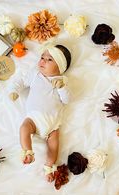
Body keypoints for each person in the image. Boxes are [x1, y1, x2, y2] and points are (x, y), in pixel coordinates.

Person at [9, 43, 71, 182]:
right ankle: (27, 152)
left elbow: (66, 100)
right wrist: (14, 91)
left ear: (60, 67)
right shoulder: (36, 74)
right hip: (33, 118)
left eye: (49, 59)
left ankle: (49, 167)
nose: (42, 61)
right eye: (42, 57)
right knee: (24, 128)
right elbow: (20, 81)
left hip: (52, 124)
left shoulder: (62, 81)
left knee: (54, 146)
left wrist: (61, 88)